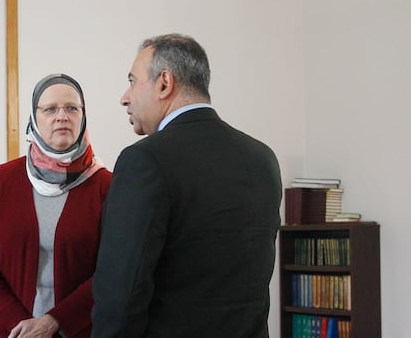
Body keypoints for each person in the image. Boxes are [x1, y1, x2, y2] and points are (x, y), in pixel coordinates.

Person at [91, 33, 282, 338]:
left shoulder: (144, 161)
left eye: (132, 81)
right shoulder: (262, 159)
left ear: (164, 83)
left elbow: (121, 294)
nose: (124, 97)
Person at [0, 74, 112, 338]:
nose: (62, 116)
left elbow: (113, 268)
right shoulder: (1, 180)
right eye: (50, 109)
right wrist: (18, 324)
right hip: (11, 332)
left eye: (72, 108)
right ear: (35, 118)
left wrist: (56, 321)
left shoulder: (106, 186)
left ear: (83, 116)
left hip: (82, 330)